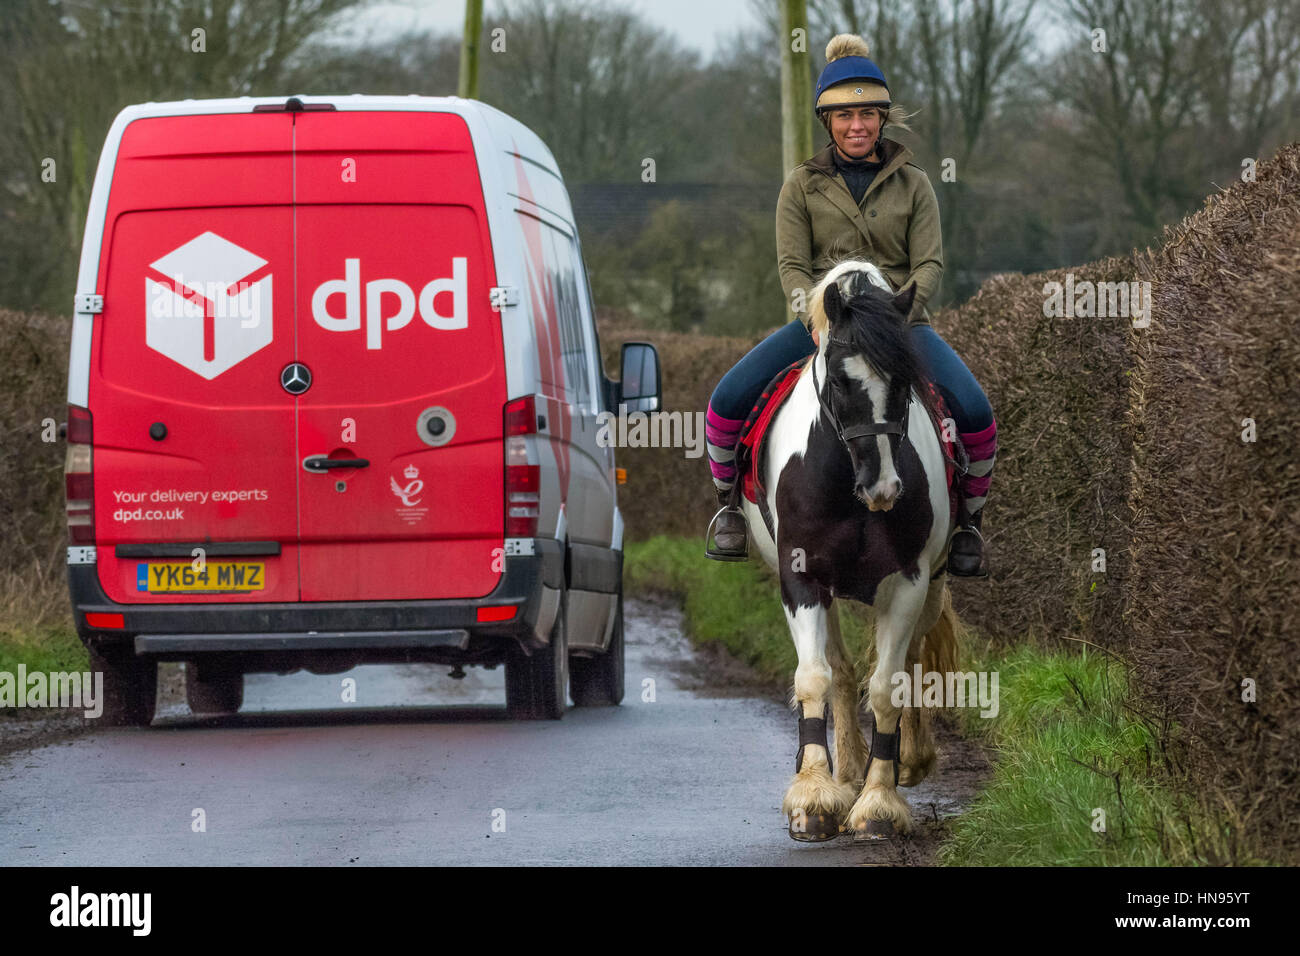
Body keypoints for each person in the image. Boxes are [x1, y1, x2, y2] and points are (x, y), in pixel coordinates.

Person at [705, 33, 997, 576]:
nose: (857, 125)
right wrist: (814, 319)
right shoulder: (800, 187)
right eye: (845, 116)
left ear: (883, 120)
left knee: (976, 414)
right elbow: (793, 267)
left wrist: (895, 317)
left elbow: (929, 264)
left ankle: (969, 525)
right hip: (824, 324)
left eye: (867, 114)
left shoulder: (915, 185)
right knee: (725, 402)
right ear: (828, 123)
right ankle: (730, 510)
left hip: (900, 326)